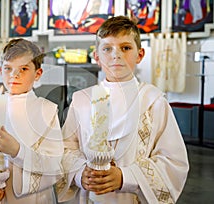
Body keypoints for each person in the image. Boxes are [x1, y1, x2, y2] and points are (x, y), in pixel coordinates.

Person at [56, 16, 189, 203]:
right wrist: (79, 173)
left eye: (125, 48)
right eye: (107, 48)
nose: (116, 55)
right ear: (97, 57)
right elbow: (65, 148)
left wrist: (125, 177)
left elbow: (174, 161)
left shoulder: (153, 101)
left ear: (140, 55)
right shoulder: (82, 100)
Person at [0, 38, 64, 204]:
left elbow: (54, 165)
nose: (14, 75)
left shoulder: (47, 111)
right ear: (1, 71)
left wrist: (17, 151)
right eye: (8, 69)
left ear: (37, 74)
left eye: (23, 68)